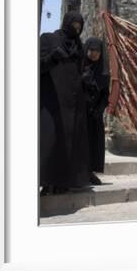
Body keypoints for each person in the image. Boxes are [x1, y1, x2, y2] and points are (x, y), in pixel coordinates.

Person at [39, 11, 91, 195]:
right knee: (50, 141)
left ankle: (64, 181)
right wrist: (52, 58)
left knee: (69, 143)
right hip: (52, 100)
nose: (76, 28)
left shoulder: (79, 46)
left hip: (74, 102)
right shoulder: (48, 39)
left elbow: (81, 69)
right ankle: (46, 182)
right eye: (73, 24)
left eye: (79, 26)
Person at [81, 37, 110, 186]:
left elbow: (106, 95)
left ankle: (90, 172)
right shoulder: (79, 68)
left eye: (97, 51)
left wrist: (99, 110)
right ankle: (79, 173)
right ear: (86, 50)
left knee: (94, 144)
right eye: (92, 50)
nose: (94, 54)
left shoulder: (103, 73)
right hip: (80, 114)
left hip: (95, 115)